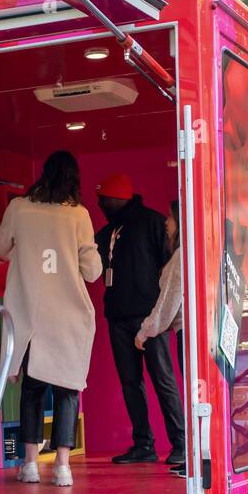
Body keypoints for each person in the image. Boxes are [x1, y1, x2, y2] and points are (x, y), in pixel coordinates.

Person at [0, 150, 103, 487]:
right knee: (67, 389)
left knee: (32, 388)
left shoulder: (19, 208)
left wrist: (24, 253)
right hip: (67, 315)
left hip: (28, 314)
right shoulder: (79, 215)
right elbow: (93, 272)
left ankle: (30, 464)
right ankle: (63, 466)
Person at [96, 174, 186, 466]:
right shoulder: (107, 231)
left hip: (150, 318)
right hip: (117, 316)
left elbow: (169, 268)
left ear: (114, 198)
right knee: (129, 382)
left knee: (163, 379)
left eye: (102, 199)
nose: (98, 203)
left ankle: (181, 443)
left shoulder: (152, 222)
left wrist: (157, 317)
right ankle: (143, 444)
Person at [134, 202, 185, 475]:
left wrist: (144, 331)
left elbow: (166, 307)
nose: (166, 222)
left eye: (171, 217)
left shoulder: (180, 257)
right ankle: (194, 459)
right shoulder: (197, 254)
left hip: (186, 333)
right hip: (200, 333)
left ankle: (191, 458)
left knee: (191, 396)